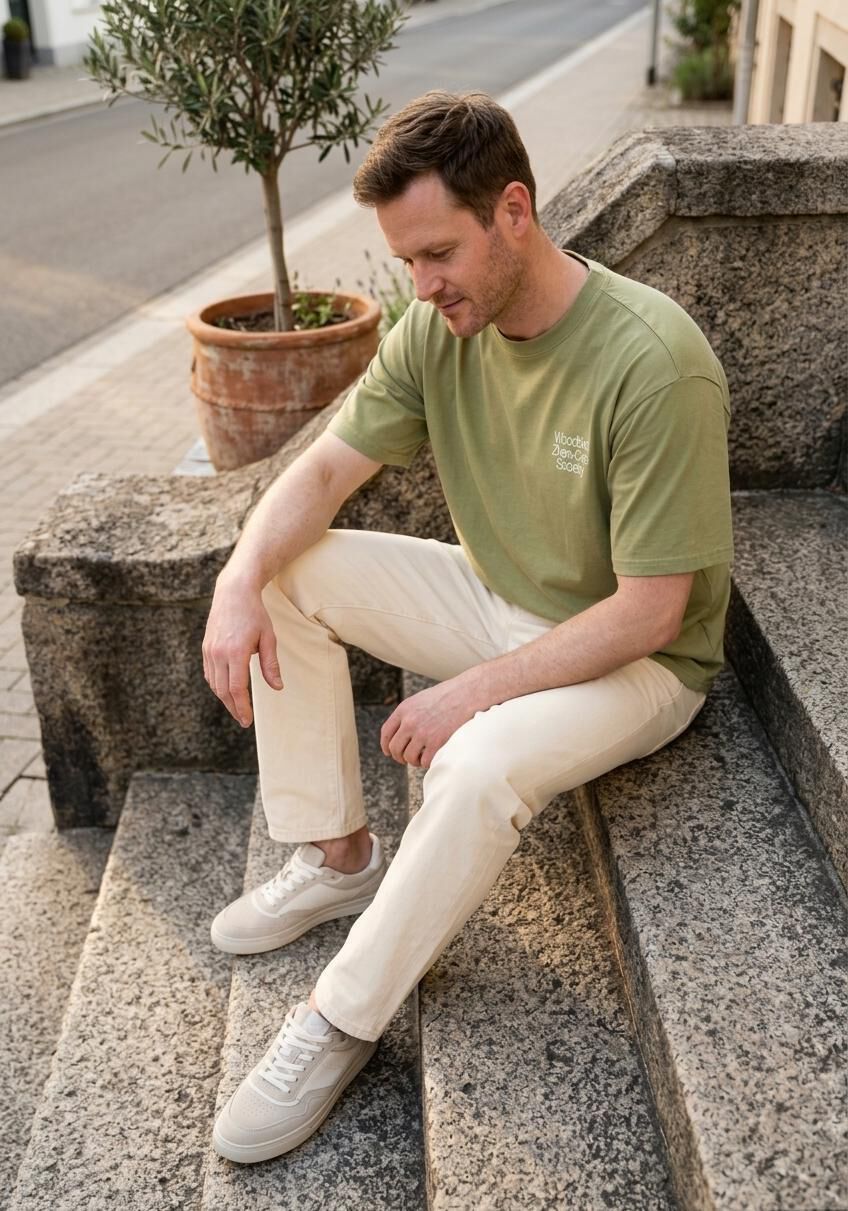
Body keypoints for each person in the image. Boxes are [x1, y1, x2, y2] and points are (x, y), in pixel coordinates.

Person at [202, 90, 733, 1164]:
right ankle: (339, 855)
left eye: (438, 252)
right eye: (406, 260)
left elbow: (652, 609)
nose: (421, 284)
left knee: (477, 760)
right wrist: (238, 575)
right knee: (290, 570)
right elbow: (323, 471)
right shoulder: (436, 329)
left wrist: (474, 692)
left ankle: (339, 1017)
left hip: (637, 660)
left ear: (514, 213)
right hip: (497, 600)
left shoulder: (653, 361)